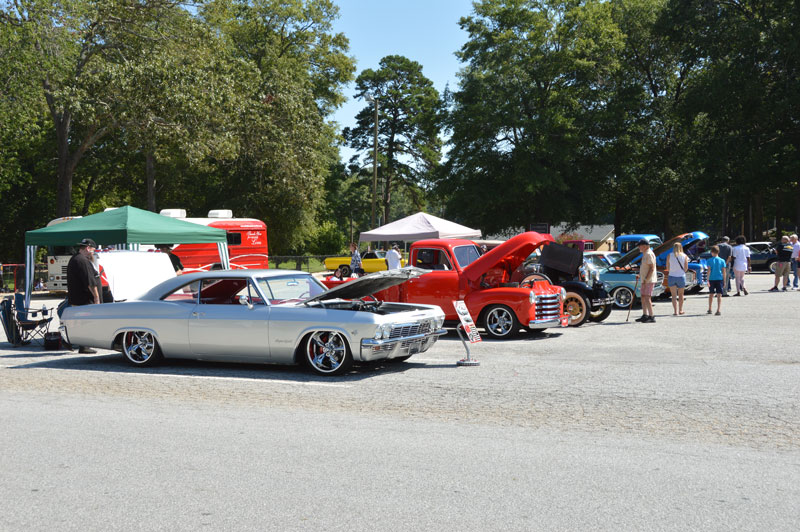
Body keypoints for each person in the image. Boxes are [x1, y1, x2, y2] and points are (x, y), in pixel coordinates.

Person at [66, 238, 100, 354]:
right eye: (92, 250)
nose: (93, 253)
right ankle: (83, 346)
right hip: (83, 298)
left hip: (76, 297)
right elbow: (90, 282)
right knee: (85, 322)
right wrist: (96, 298)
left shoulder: (75, 258)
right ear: (87, 248)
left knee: (78, 321)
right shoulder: (82, 261)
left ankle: (69, 340)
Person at [636, 239, 657, 323]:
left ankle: (651, 316)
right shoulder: (645, 254)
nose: (638, 247)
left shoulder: (649, 254)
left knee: (647, 297)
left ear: (644, 246)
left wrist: (646, 279)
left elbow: (652, 268)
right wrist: (640, 275)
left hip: (648, 280)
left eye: (639, 245)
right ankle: (645, 315)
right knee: (643, 297)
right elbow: (645, 267)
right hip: (644, 279)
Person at [665, 242, 688, 315]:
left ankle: (675, 311)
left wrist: (672, 270)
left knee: (673, 295)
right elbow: (686, 268)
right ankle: (680, 310)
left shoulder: (669, 255)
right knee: (681, 295)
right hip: (681, 276)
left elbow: (667, 267)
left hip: (672, 276)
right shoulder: (684, 256)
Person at [706, 245, 726, 315]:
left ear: (711, 252)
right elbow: (724, 271)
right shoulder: (722, 260)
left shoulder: (709, 260)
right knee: (719, 295)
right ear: (718, 252)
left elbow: (709, 270)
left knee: (711, 294)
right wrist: (724, 281)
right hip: (719, 279)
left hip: (711, 279)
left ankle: (710, 308)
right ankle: (718, 309)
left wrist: (707, 280)